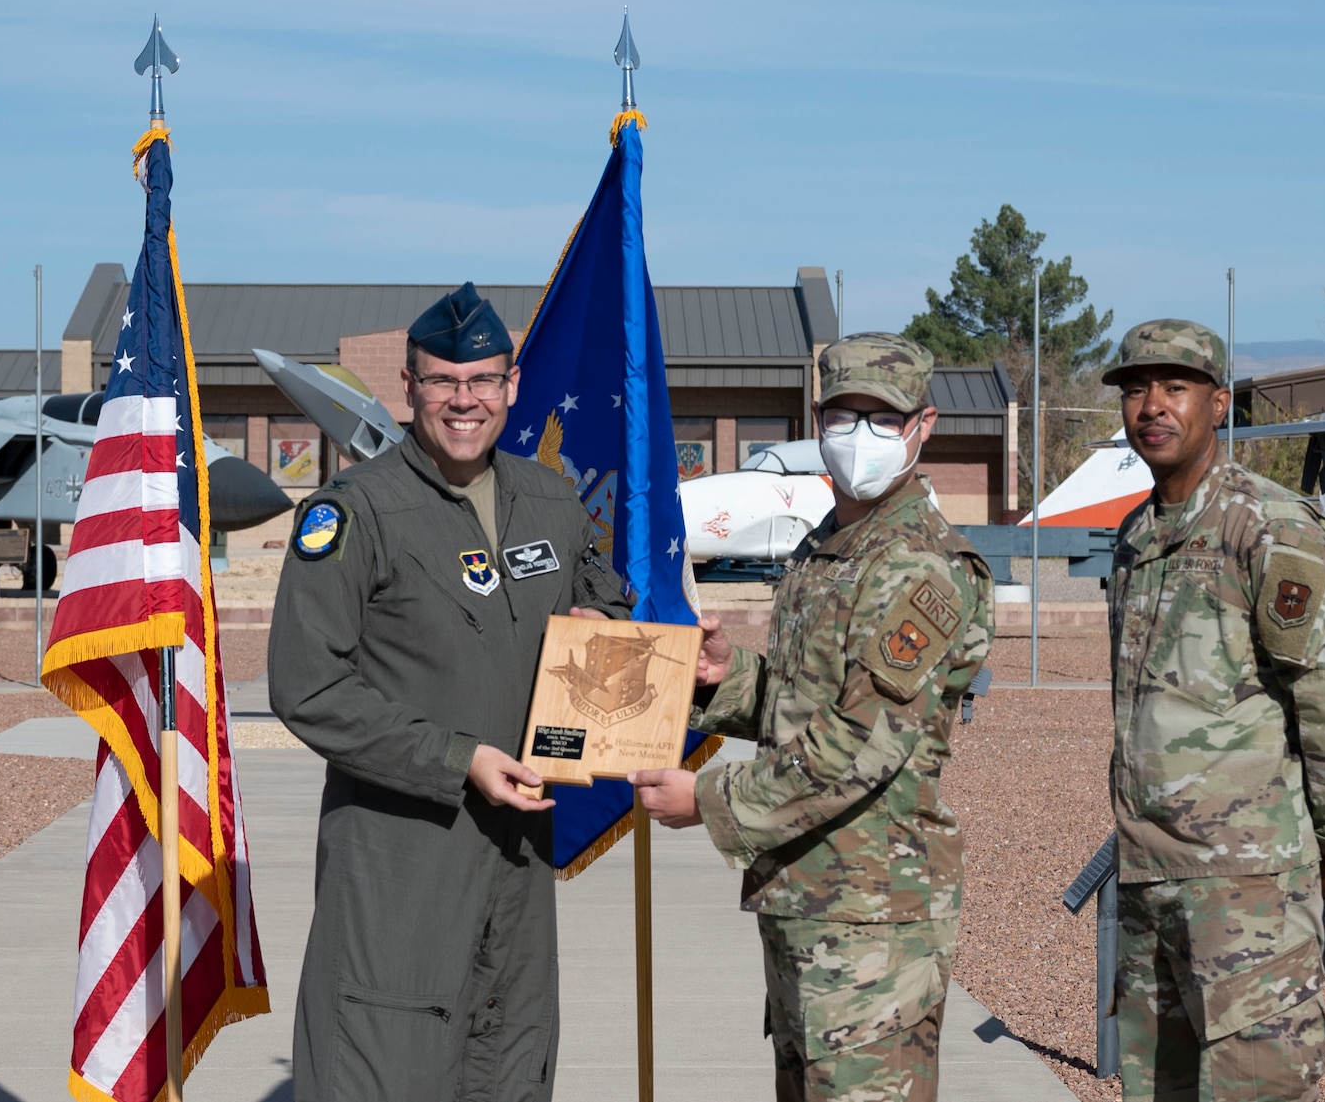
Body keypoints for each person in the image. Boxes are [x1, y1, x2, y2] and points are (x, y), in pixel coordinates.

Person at [269, 283, 631, 1101]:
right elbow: (306, 683)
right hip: (401, 859)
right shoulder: (355, 512)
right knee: (387, 1065)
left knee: (508, 1062)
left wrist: (660, 657)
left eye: (482, 381)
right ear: (409, 387)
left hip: (520, 854)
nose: (463, 401)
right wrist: (455, 757)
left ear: (511, 387)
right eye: (442, 381)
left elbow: (605, 616)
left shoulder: (553, 500)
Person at [631, 332, 995, 1102]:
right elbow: (805, 707)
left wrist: (706, 799)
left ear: (923, 426)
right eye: (842, 414)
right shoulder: (827, 546)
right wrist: (729, 680)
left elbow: (855, 745)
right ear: (816, 418)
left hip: (874, 923)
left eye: (882, 418)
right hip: (806, 903)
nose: (858, 435)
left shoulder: (921, 565)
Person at [1101, 319, 1325, 1101]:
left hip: (1247, 890)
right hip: (1151, 880)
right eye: (1134, 389)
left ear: (1219, 404)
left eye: (1174, 387)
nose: (1151, 405)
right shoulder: (1136, 536)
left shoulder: (1266, 526)